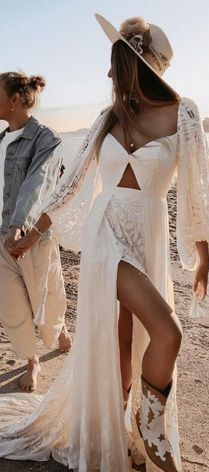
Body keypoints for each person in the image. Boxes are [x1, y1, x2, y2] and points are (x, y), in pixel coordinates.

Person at [0, 15, 209, 472]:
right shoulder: (109, 117)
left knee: (130, 347)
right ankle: (152, 427)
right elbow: (71, 187)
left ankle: (127, 428)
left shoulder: (183, 114)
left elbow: (199, 189)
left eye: (113, 63)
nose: (107, 75)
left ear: (134, 62)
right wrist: (35, 232)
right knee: (169, 330)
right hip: (106, 236)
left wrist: (202, 256)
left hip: (148, 232)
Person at [0, 72, 72, 392]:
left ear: (14, 99)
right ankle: (32, 360)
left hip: (33, 235)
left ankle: (59, 329)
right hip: (2, 236)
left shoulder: (46, 139)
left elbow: (38, 183)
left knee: (46, 295)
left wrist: (19, 226)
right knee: (12, 304)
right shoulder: (1, 141)